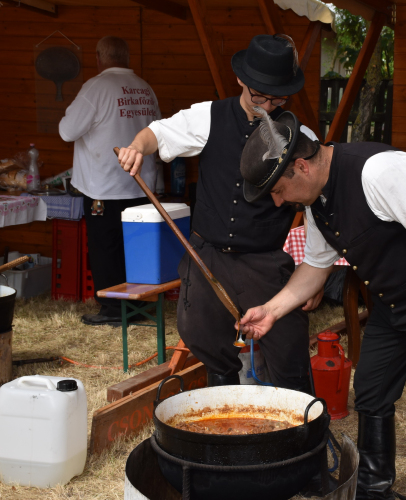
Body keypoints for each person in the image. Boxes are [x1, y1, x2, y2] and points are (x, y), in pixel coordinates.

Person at [237, 109, 406, 500]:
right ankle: (373, 492)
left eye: (278, 190)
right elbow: (317, 266)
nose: (279, 202)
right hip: (388, 305)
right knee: (369, 391)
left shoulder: (381, 171)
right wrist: (272, 310)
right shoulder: (316, 198)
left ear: (301, 166)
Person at [116, 34, 322, 392]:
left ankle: (300, 424)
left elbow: (318, 205)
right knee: (202, 334)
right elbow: (159, 133)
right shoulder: (208, 116)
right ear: (241, 80)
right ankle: (225, 408)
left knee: (286, 344)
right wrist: (137, 146)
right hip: (207, 253)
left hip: (263, 261)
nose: (268, 106)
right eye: (260, 96)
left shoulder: (301, 136)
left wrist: (318, 272)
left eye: (278, 98)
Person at [59, 36, 161, 326]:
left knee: (105, 248)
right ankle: (139, 307)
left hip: (104, 186)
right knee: (137, 249)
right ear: (126, 57)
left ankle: (113, 310)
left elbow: (67, 131)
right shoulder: (144, 88)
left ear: (98, 57)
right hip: (140, 183)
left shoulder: (95, 87)